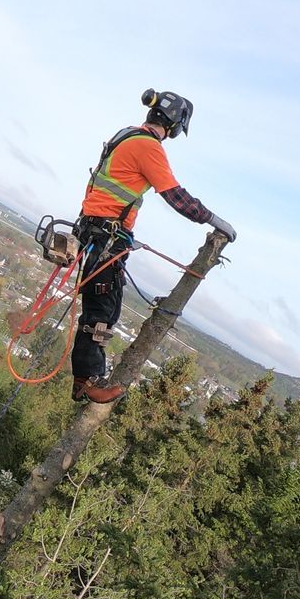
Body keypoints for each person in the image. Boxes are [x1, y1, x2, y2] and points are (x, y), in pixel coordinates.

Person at [69, 88, 235, 403]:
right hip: (105, 237)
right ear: (174, 125)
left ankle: (85, 379)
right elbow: (175, 196)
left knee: (103, 305)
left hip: (95, 230)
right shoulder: (148, 147)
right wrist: (214, 220)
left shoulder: (126, 135)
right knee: (102, 309)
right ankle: (87, 381)